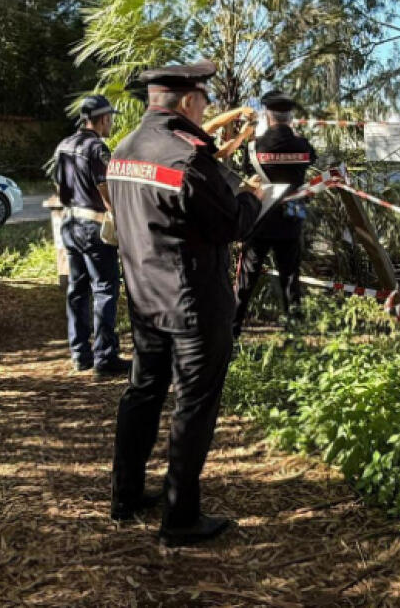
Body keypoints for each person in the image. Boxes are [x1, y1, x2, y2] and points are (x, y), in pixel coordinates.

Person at [107, 59, 263, 546]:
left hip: (144, 297)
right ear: (190, 101)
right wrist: (253, 195)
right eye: (204, 101)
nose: (206, 109)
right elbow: (233, 224)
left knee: (143, 392)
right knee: (194, 404)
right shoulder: (188, 160)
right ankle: (180, 518)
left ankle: (125, 495)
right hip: (193, 302)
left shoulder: (124, 150)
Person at [52, 94, 129, 378]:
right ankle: (105, 356)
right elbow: (105, 189)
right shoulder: (97, 148)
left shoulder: (64, 145)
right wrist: (119, 217)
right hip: (93, 227)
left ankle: (79, 354)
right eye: (110, 118)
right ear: (102, 119)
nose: (110, 123)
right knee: (105, 289)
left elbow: (60, 188)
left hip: (70, 223)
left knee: (77, 290)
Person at [232, 90, 317, 338]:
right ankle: (294, 334)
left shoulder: (254, 147)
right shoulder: (302, 145)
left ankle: (233, 329)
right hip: (292, 217)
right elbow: (311, 159)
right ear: (289, 116)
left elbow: (248, 173)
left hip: (260, 218)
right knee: (291, 277)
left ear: (267, 115)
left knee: (247, 279)